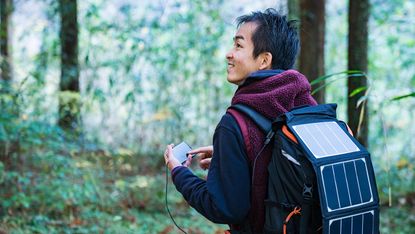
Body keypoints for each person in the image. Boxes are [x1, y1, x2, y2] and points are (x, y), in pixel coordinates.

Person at [163, 8, 317, 233]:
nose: (229, 53)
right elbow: (278, 157)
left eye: (238, 45)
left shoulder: (234, 123)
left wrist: (179, 173)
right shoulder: (306, 108)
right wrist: (230, 155)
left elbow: (225, 208)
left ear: (264, 60)